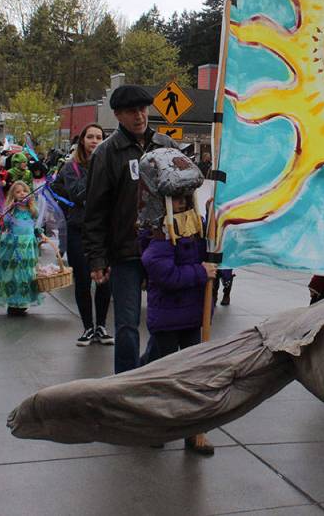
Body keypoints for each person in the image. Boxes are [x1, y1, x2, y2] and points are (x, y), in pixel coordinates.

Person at [84, 85, 177, 374]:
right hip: (125, 251)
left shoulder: (165, 146)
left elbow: (185, 195)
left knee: (167, 321)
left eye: (143, 109)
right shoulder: (107, 153)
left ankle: (145, 370)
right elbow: (95, 211)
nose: (139, 116)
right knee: (126, 325)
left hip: (163, 247)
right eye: (131, 111)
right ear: (117, 115)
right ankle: (123, 386)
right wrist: (97, 258)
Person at [141, 191, 216, 456]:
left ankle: (192, 432)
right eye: (174, 200)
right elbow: (161, 270)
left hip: (192, 316)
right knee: (162, 375)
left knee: (192, 375)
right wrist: (200, 272)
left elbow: (214, 255)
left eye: (183, 200)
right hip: (167, 318)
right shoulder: (161, 232)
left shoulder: (197, 227)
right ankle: (155, 426)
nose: (180, 205)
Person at [51, 123, 113, 347]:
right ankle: (88, 326)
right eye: (90, 137)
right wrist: (97, 169)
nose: (95, 141)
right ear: (82, 141)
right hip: (79, 230)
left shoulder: (111, 165)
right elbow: (78, 194)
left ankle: (102, 326)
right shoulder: (71, 168)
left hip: (105, 231)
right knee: (84, 280)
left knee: (106, 280)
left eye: (99, 137)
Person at [0, 180, 43, 315]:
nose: (21, 193)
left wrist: (41, 235)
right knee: (13, 274)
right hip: (14, 246)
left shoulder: (32, 210)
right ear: (13, 195)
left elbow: (36, 225)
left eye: (24, 191)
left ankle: (23, 301)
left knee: (26, 274)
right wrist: (7, 211)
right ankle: (13, 302)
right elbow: (5, 224)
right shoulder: (12, 210)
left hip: (28, 247)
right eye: (17, 192)